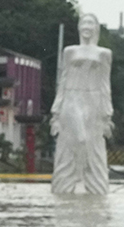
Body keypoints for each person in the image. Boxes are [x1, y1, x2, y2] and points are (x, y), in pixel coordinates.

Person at [50, 13, 114, 195]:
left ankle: (93, 183)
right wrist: (56, 112)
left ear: (96, 28)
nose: (87, 26)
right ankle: (76, 179)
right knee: (80, 139)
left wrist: (107, 114)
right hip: (72, 98)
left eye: (90, 23)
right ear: (79, 27)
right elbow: (63, 80)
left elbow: (105, 83)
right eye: (84, 23)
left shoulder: (104, 53)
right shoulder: (70, 51)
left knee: (93, 143)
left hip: (93, 101)